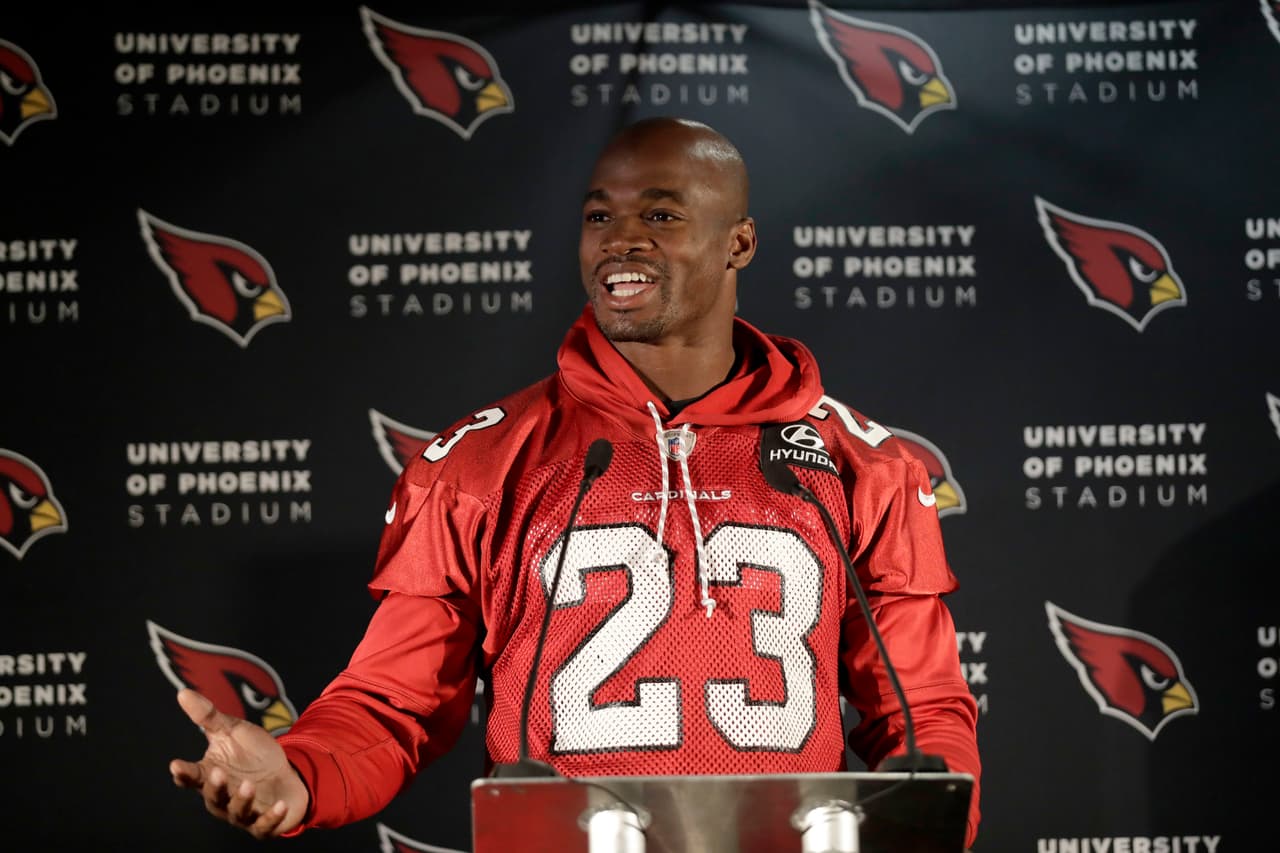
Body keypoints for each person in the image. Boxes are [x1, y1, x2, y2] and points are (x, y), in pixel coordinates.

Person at [169, 116, 982, 848]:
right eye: (600, 217)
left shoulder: (861, 463)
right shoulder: (480, 463)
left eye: (659, 216)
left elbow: (919, 711)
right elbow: (393, 702)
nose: (620, 240)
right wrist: (302, 773)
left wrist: (930, 814)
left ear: (738, 242)